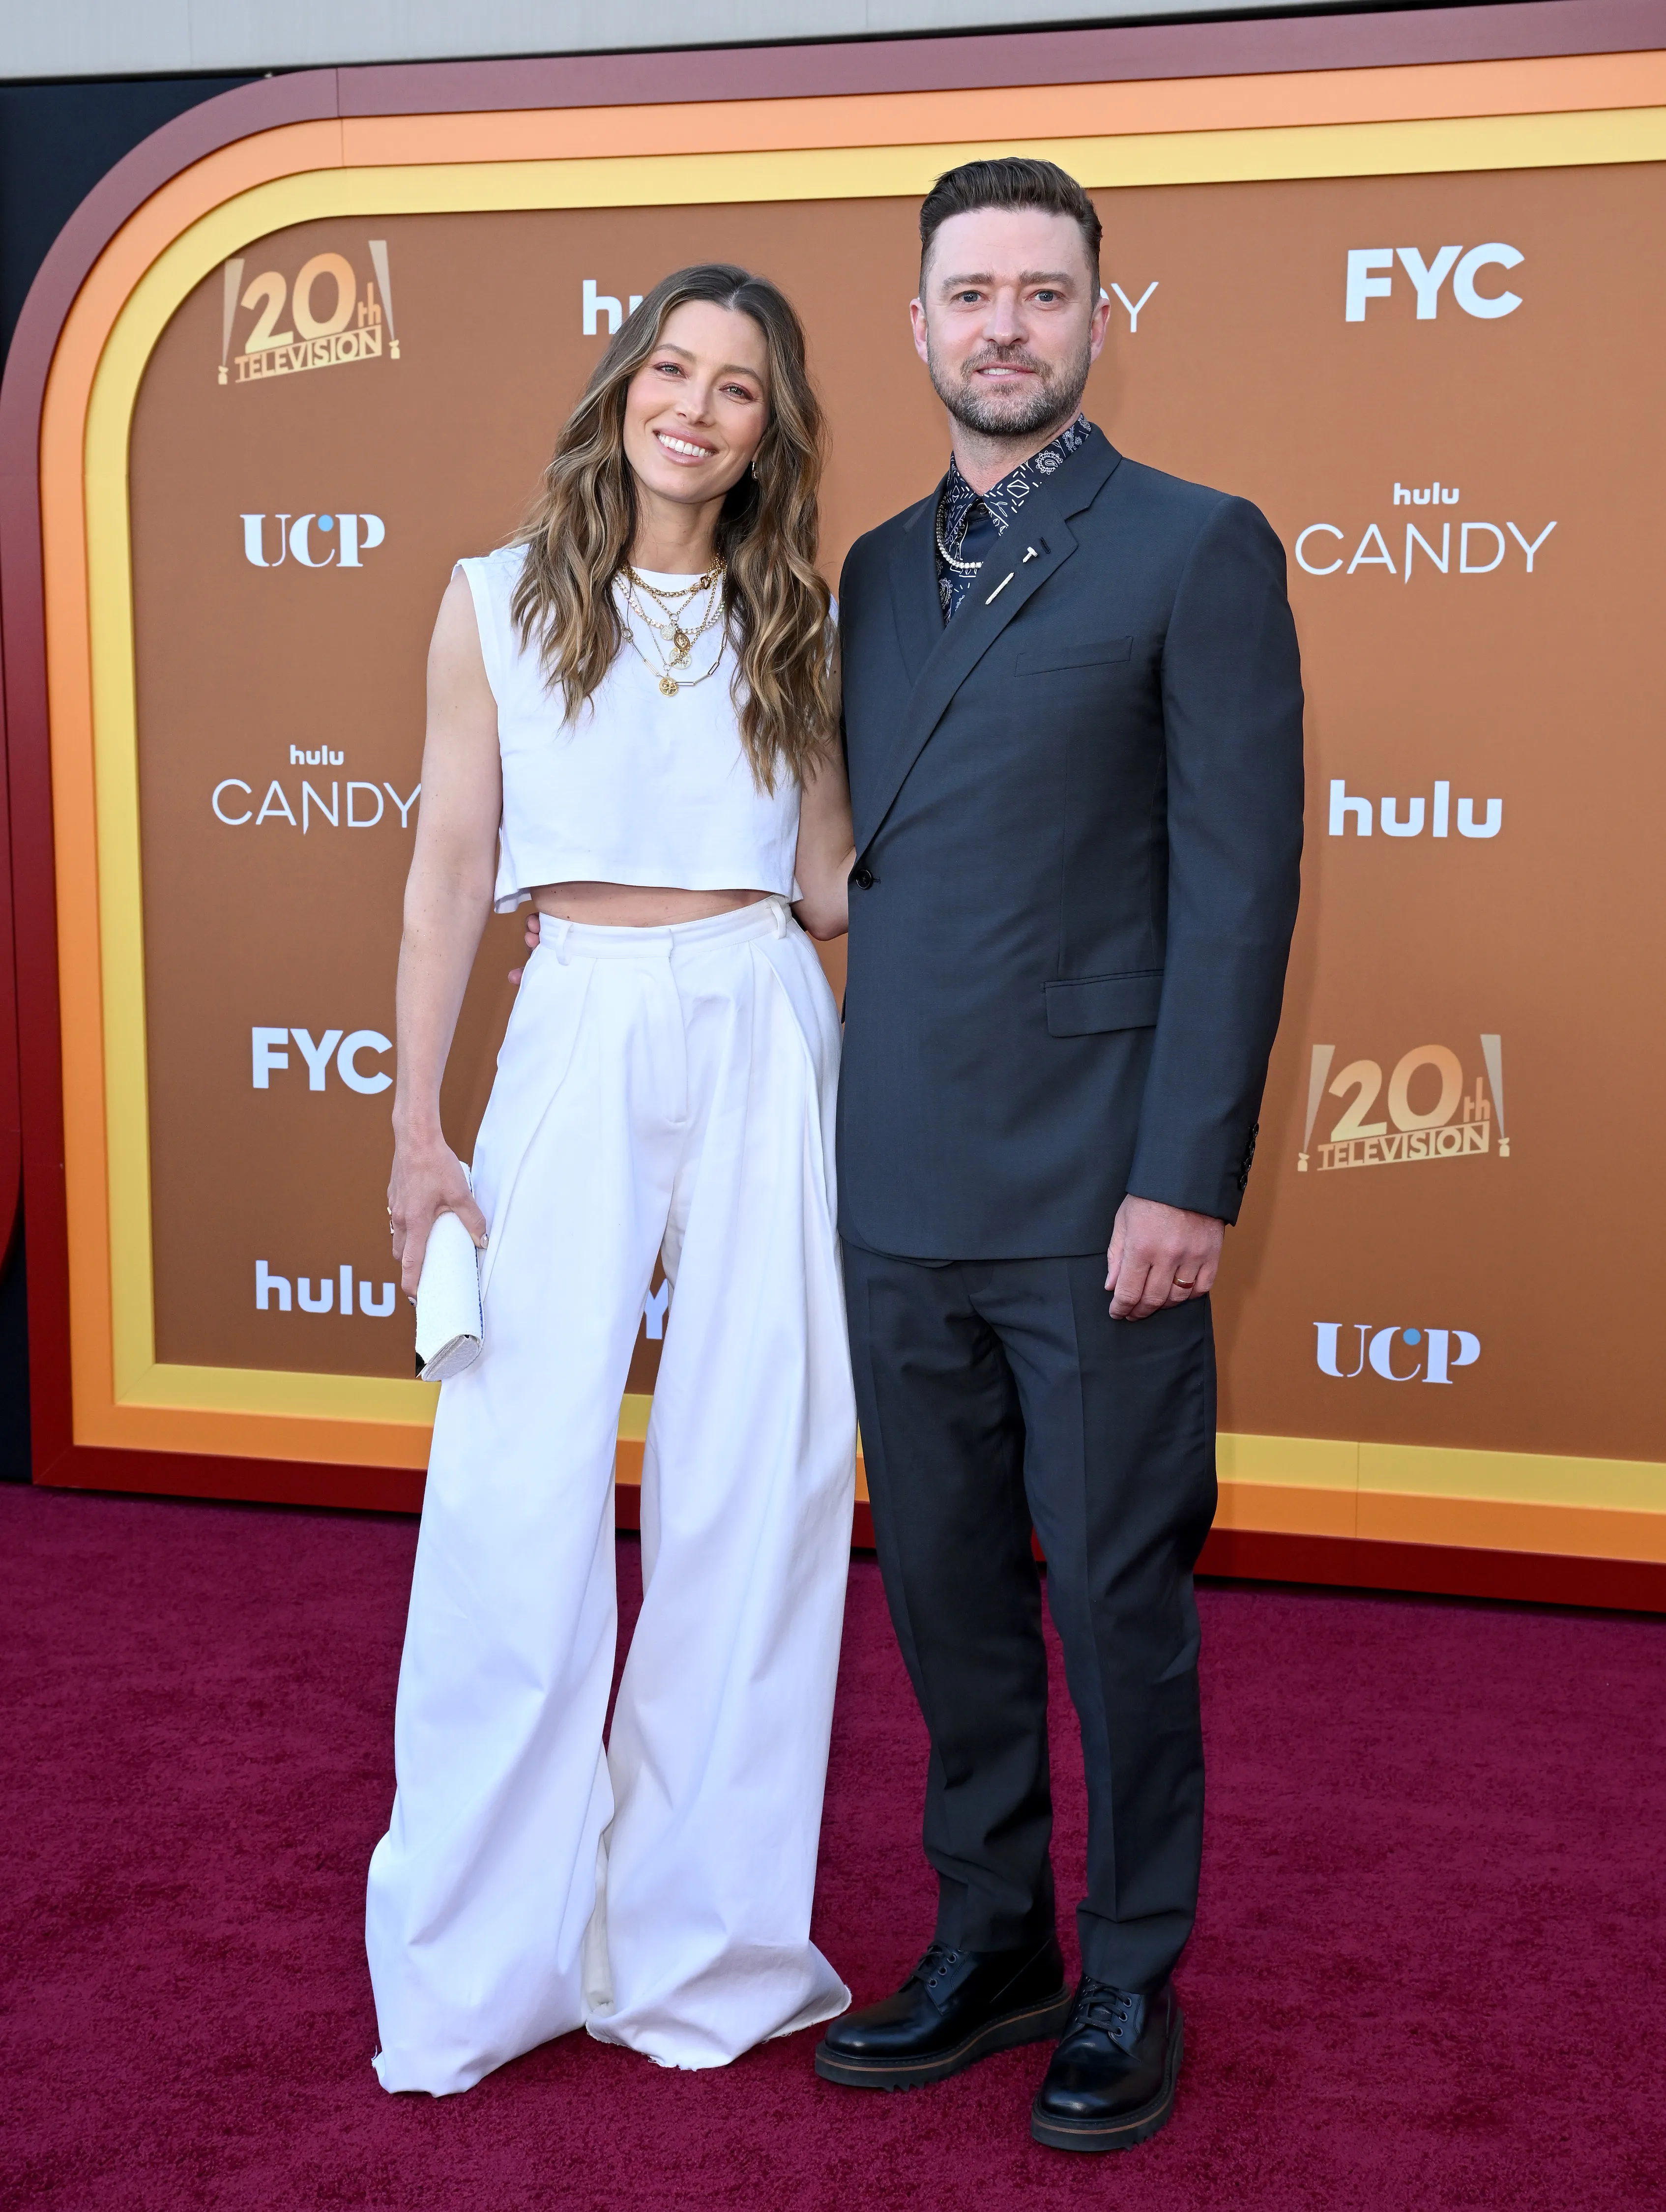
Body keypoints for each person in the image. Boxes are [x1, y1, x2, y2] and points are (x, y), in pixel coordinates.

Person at [813, 160, 1304, 2153]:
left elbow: (1240, 884)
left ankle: (1125, 1971)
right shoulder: (859, 574)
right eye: (968, 292)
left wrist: (1185, 1179)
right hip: (900, 1177)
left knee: (1113, 1600)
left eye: (1040, 289)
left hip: (1104, 1191)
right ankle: (992, 1935)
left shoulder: (1194, 548)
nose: (1002, 322)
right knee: (941, 1591)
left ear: (1101, 317)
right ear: (918, 325)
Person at [366, 263, 859, 2094]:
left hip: (757, 1028)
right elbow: (442, 871)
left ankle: (700, 1954)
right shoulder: (490, 603)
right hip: (569, 1018)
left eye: (741, 387)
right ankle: (477, 1976)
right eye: (675, 367)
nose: (700, 406)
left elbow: (826, 882)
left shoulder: (797, 616)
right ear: (624, 384)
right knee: (514, 1496)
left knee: (762, 1481)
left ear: (768, 430)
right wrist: (418, 1128)